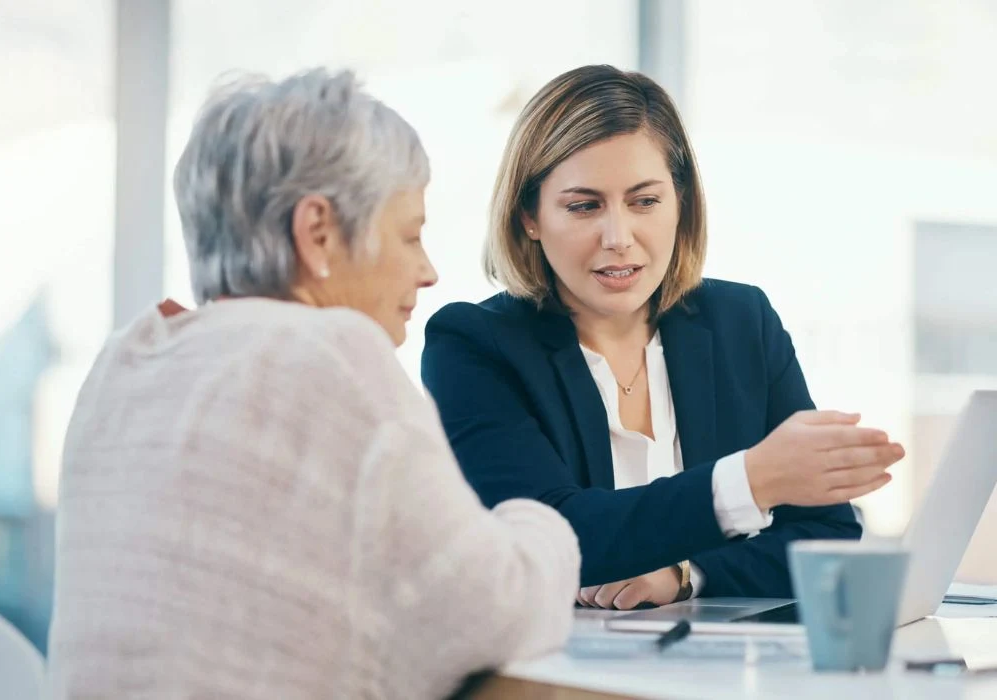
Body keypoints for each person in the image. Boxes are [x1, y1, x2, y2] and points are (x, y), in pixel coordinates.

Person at [46, 68, 579, 699]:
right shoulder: (330, 355)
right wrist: (537, 521)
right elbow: (496, 611)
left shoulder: (128, 362)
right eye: (409, 234)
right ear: (318, 232)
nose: (428, 270)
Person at [421, 64, 904, 610]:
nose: (618, 238)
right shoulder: (473, 345)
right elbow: (553, 538)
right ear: (529, 216)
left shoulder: (741, 320)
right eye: (584, 206)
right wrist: (750, 482)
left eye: (644, 201)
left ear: (680, 203)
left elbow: (826, 535)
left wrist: (686, 574)